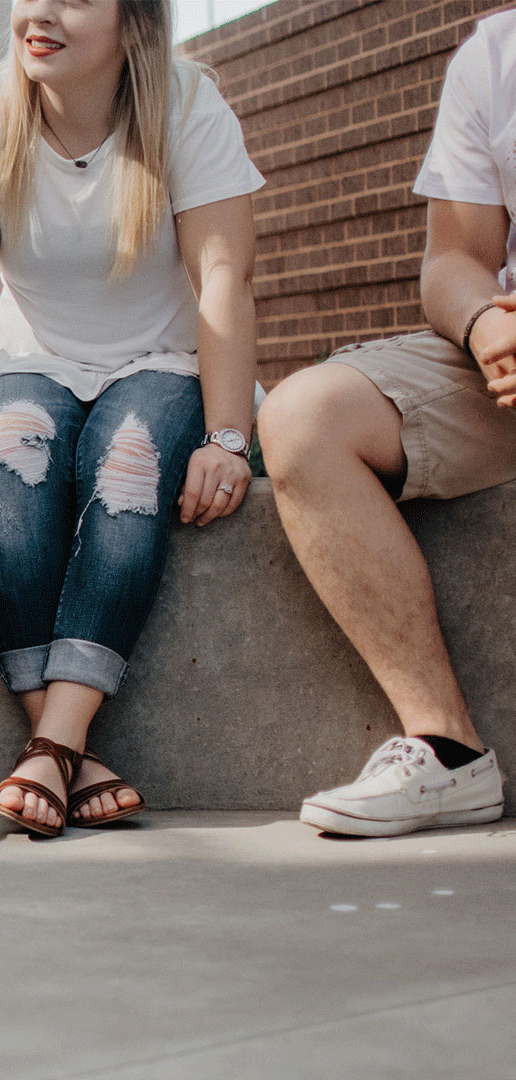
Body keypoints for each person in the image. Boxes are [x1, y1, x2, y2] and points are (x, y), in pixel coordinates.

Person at [0, 0, 262, 836]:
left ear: (132, 20)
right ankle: (68, 751)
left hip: (164, 364)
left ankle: (50, 746)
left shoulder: (186, 106)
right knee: (6, 459)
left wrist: (226, 436)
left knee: (129, 466)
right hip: (32, 361)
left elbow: (224, 280)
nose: (38, 13)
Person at [258, 12, 515, 837]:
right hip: (506, 370)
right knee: (306, 416)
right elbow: (454, 259)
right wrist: (484, 324)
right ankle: (446, 751)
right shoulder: (497, 56)